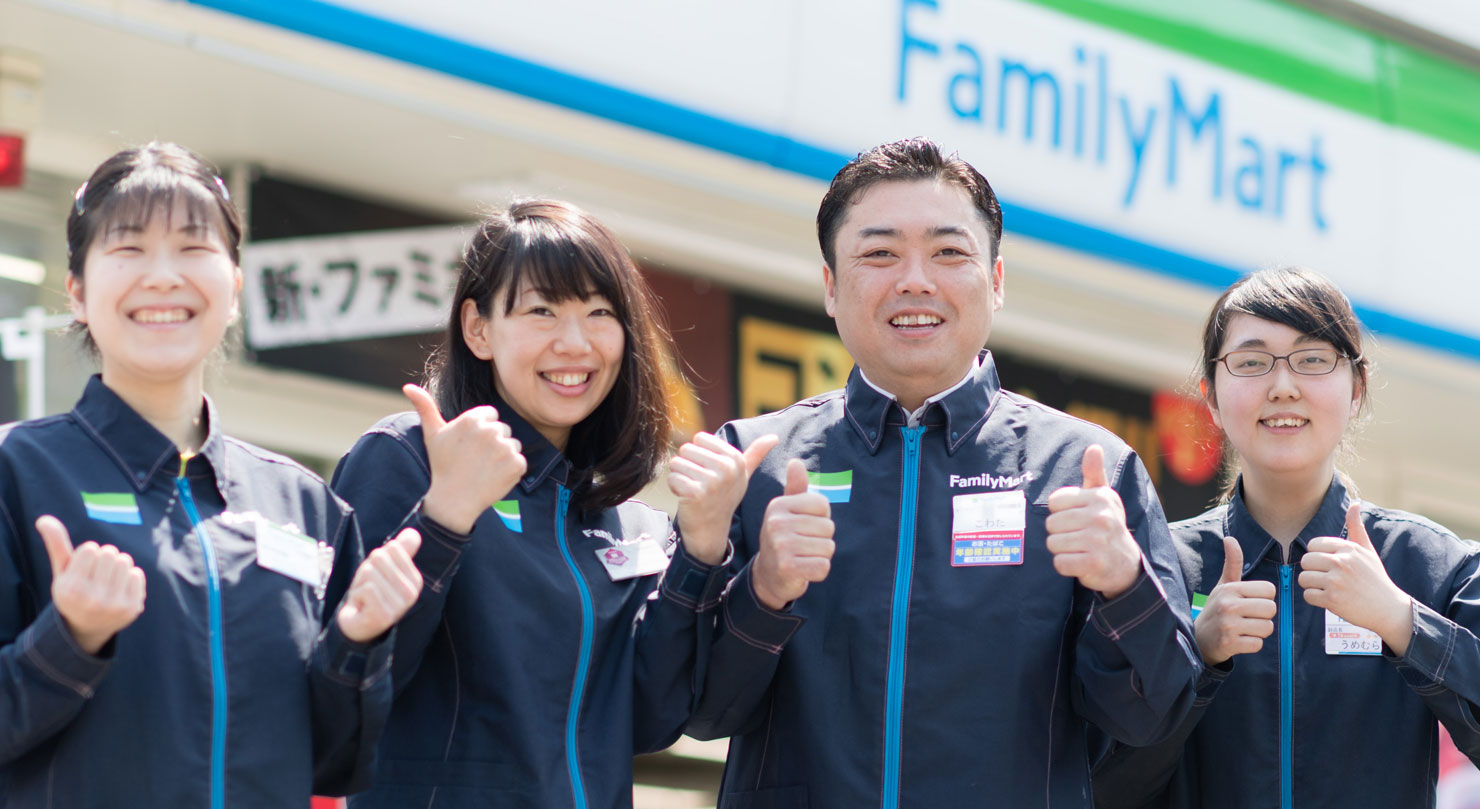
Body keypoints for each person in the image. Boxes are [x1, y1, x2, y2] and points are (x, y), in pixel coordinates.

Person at [684, 137, 1201, 808]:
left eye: (949, 252)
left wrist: (1124, 586)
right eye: (879, 253)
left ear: (996, 281)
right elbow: (700, 712)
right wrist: (763, 590)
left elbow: (1149, 717)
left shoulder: (1084, 470)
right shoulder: (754, 463)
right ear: (832, 288)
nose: (915, 280)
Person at [0, 142, 422, 808]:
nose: (164, 276)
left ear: (235, 290)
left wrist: (357, 642)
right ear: (77, 292)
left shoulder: (308, 508)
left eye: (194, 248)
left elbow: (334, 764)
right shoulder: (17, 471)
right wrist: (69, 639)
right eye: (129, 249)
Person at [332, 198, 753, 808]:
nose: (575, 343)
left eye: (599, 312)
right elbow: (349, 686)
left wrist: (703, 548)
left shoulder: (627, 523)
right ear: (478, 329)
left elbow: (651, 719)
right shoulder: (409, 458)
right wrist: (444, 521)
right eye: (542, 311)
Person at [1092, 267, 1480, 808]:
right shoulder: (1157, 570)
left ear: (1357, 389)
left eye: (1313, 359)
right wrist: (1196, 659)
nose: (1282, 387)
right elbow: (1099, 785)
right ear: (1211, 398)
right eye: (1251, 363)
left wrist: (1402, 621)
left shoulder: (1432, 564)